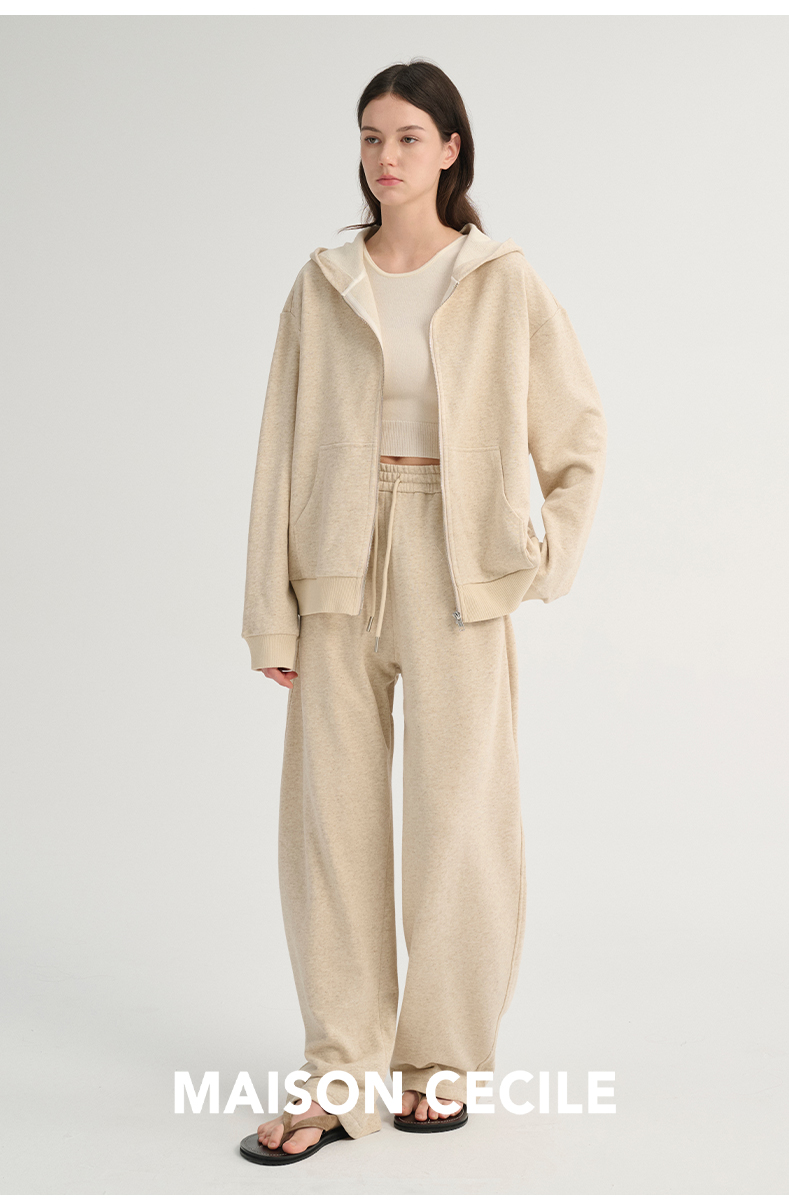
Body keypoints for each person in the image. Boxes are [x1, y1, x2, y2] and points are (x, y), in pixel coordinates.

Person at [239, 59, 607, 1166]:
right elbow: (277, 451)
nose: (385, 157)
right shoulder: (324, 281)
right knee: (331, 832)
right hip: (337, 566)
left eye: (407, 137)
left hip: (459, 569)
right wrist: (270, 614)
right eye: (370, 137)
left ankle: (438, 1062)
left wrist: (540, 553)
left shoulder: (501, 279)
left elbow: (576, 436)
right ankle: (339, 1073)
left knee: (461, 826)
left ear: (451, 149)